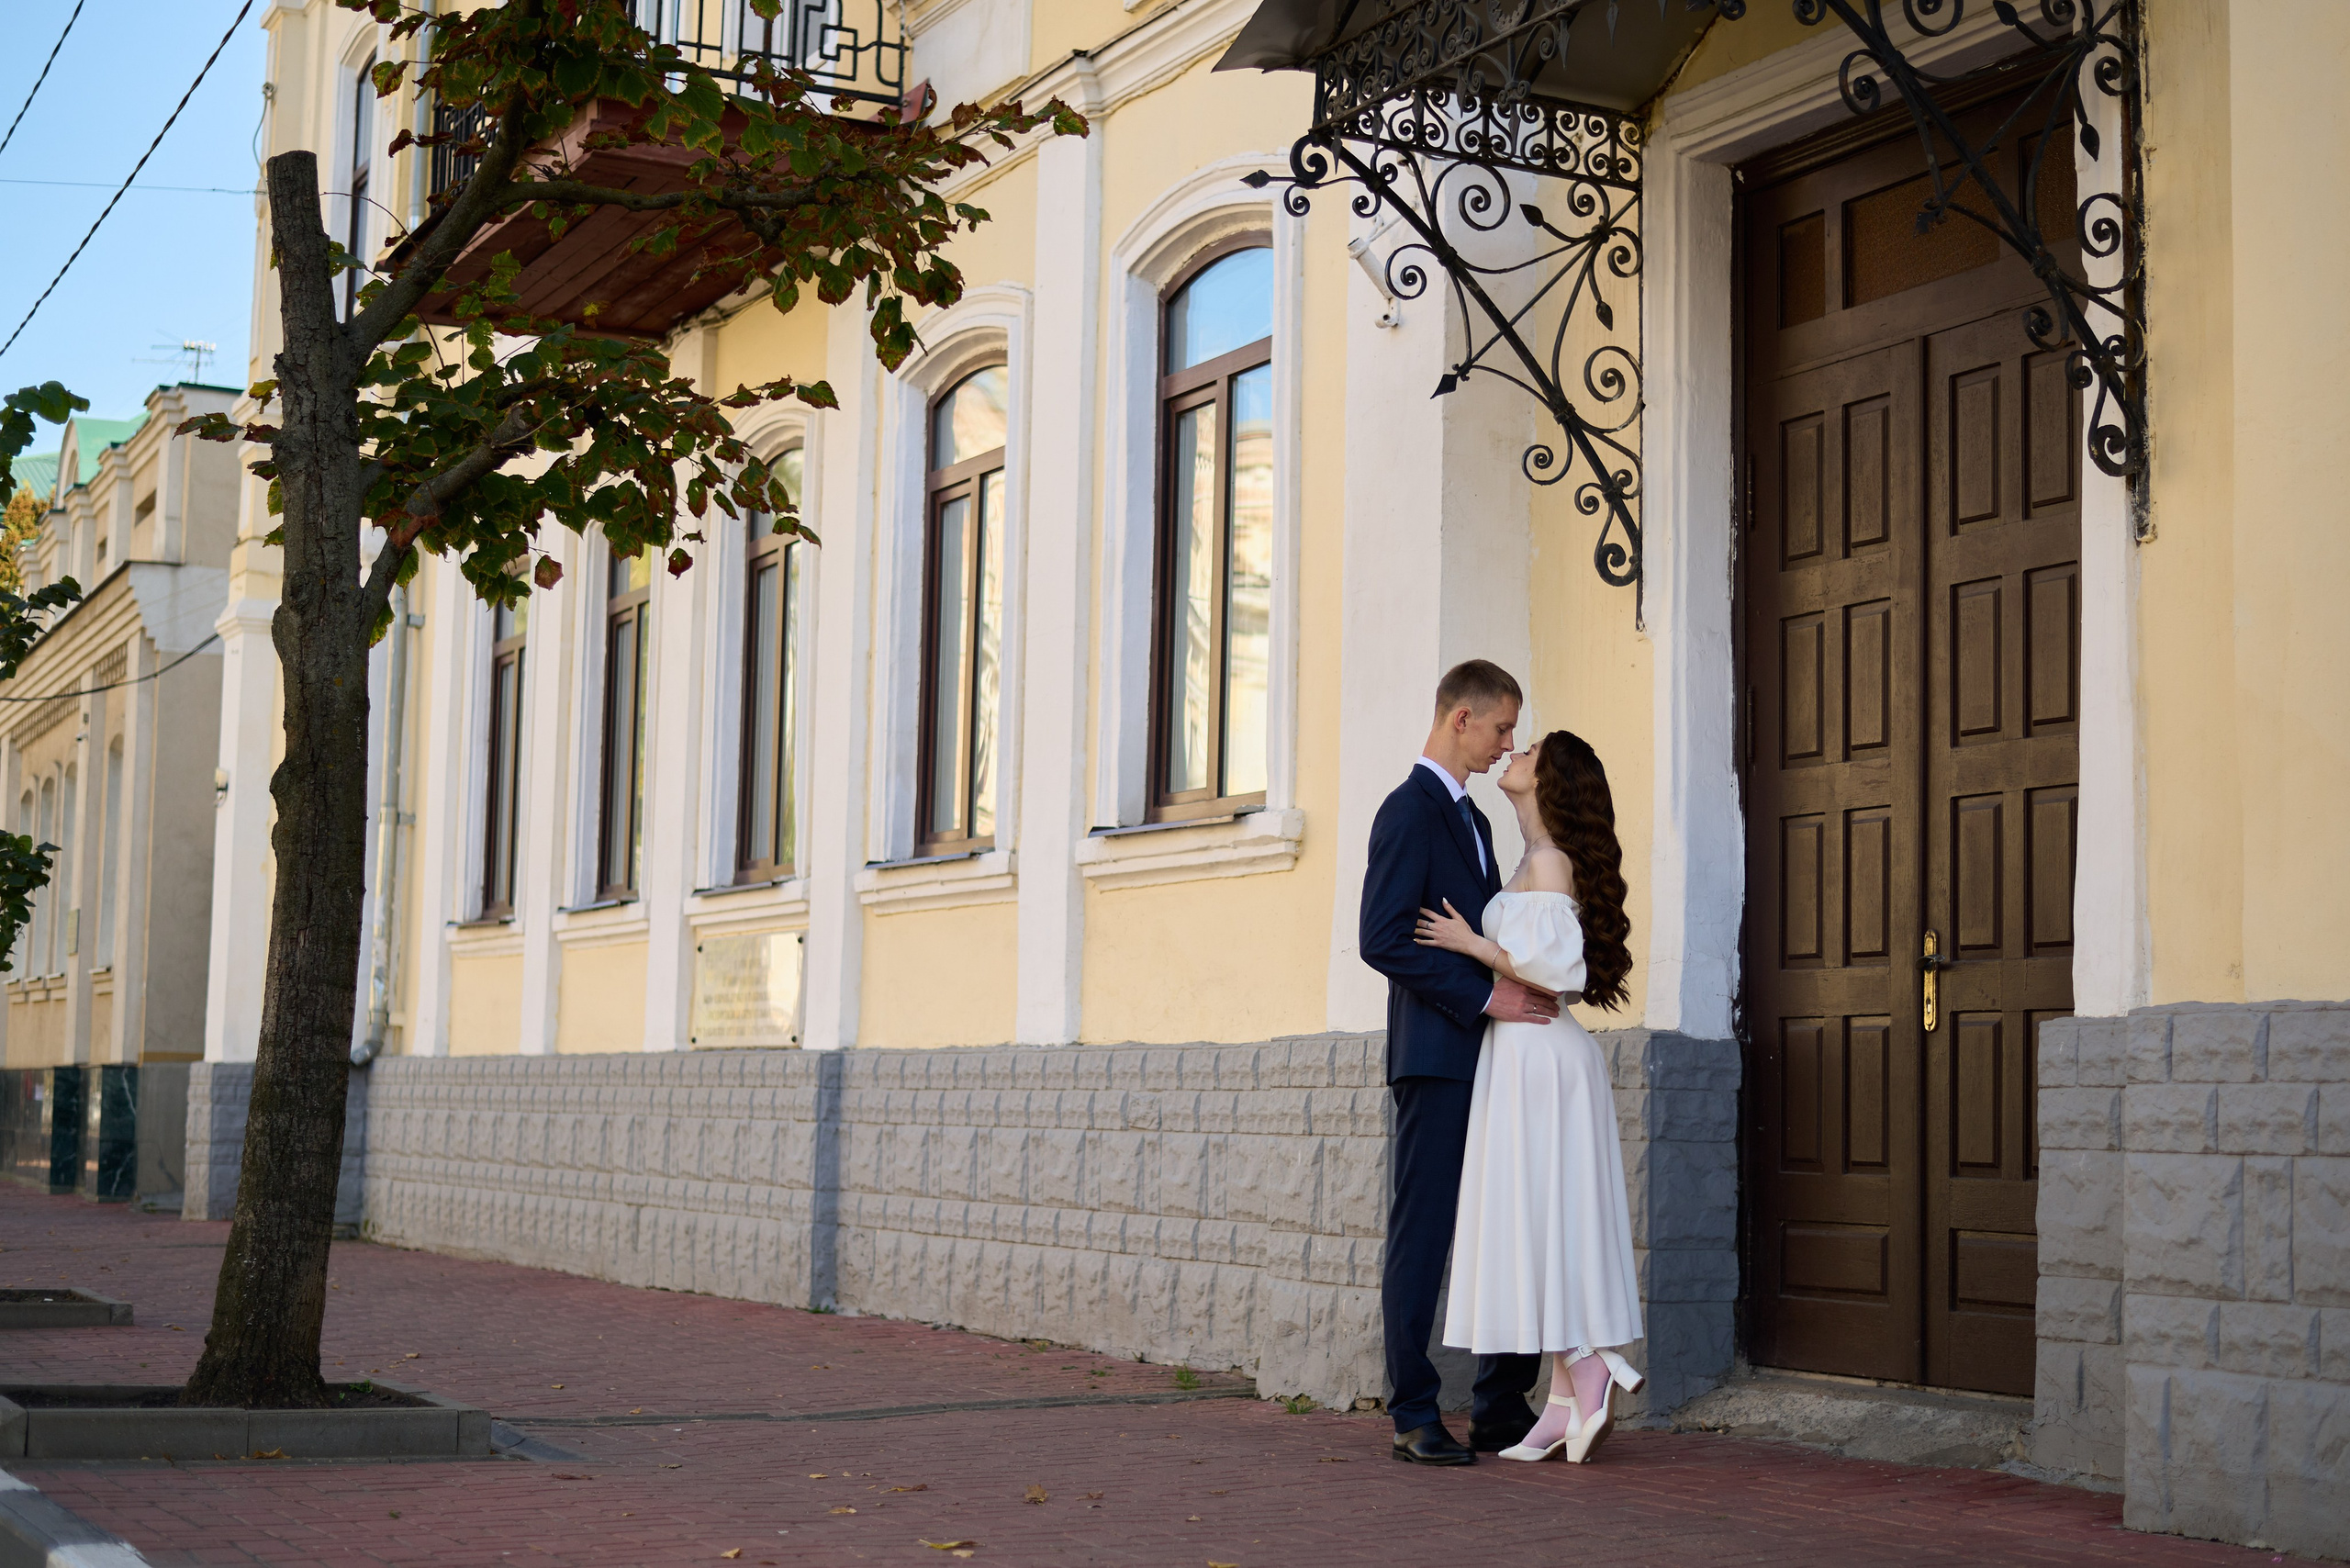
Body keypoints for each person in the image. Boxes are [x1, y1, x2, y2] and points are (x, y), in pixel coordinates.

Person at [1415, 728, 1644, 1463]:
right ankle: (1562, 1404)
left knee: (1543, 1218)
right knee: (1541, 1218)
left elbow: (1560, 972)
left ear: (1550, 780)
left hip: (1541, 1059)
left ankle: (1589, 1365)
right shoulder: (1531, 860)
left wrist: (1473, 944)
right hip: (1526, 1059)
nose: (1514, 750)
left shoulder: (1548, 862)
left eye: (1530, 747)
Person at [1358, 660, 1560, 1466]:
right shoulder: (1407, 811)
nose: (1509, 742)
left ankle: (1501, 1407)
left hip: (1494, 1060)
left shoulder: (1474, 820)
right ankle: (1412, 1413)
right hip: (1438, 1059)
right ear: (1461, 718)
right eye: (1503, 727)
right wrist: (1486, 1001)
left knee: (1502, 1226)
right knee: (1425, 1231)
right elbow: (1382, 938)